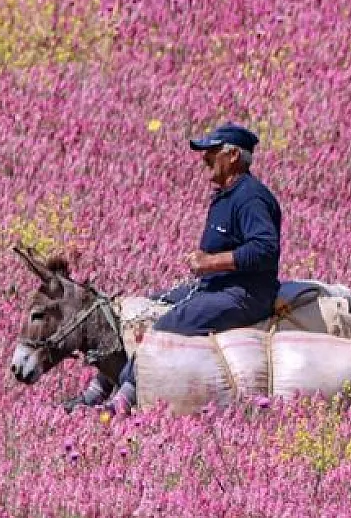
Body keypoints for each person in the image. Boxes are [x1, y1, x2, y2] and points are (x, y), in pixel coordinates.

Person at [96, 123, 282, 414]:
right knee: (146, 307)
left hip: (244, 294)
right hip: (215, 287)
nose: (204, 158)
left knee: (168, 325)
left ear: (232, 156)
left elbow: (265, 250)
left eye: (211, 151)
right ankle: (98, 389)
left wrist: (209, 262)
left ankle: (124, 399)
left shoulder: (250, 197)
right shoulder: (225, 195)